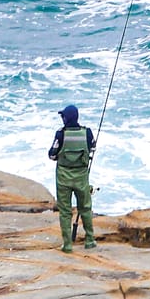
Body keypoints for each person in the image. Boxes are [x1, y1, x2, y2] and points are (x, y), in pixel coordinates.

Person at [49, 103, 96, 253]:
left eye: (63, 116)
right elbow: (92, 148)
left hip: (63, 178)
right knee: (85, 208)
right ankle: (90, 240)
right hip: (81, 177)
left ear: (66, 119)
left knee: (65, 211)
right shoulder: (87, 132)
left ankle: (67, 245)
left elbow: (52, 155)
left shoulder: (61, 134)